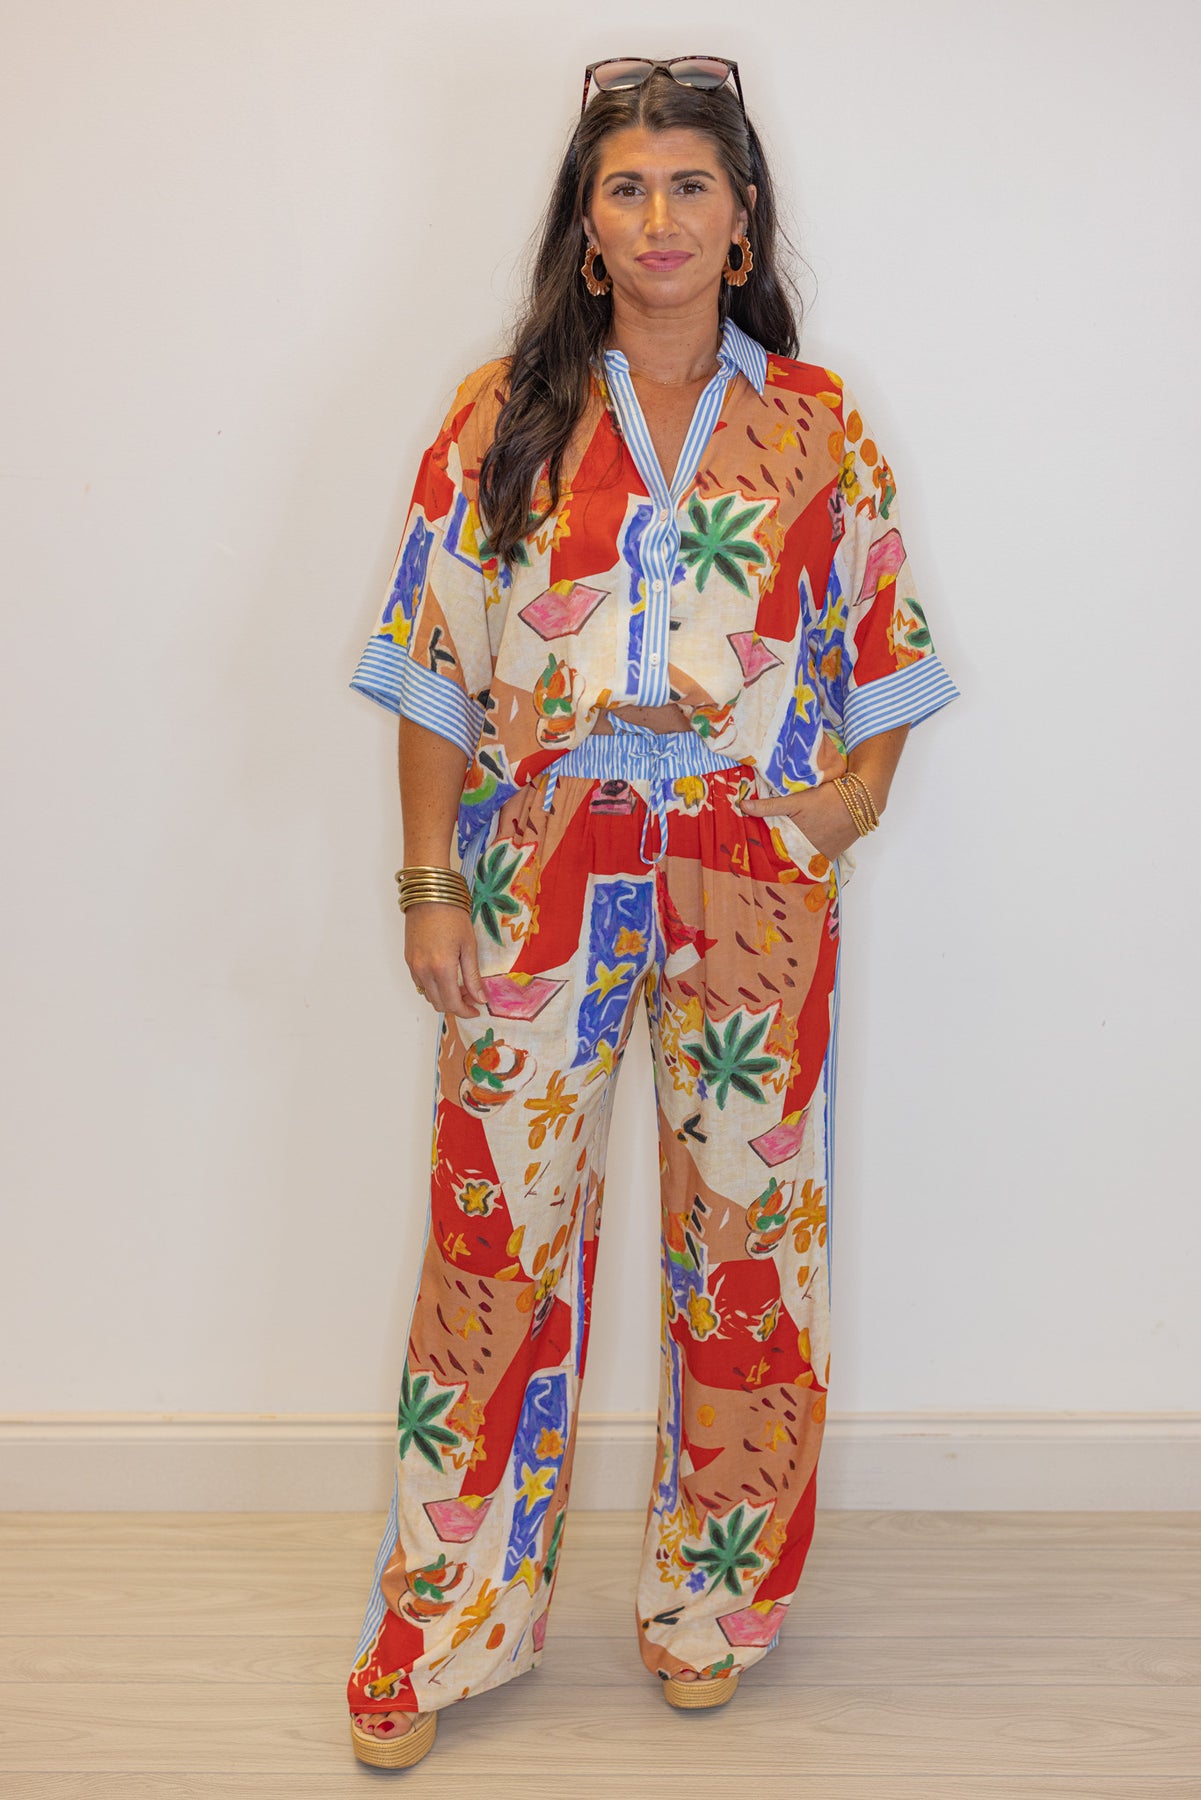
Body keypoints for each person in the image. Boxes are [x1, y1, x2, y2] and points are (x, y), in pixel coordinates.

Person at [344, 54, 960, 1771]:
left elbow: (886, 651)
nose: (660, 216)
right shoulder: (500, 414)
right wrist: (427, 883)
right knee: (493, 1246)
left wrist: (836, 811)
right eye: (627, 187)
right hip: (537, 866)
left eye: (691, 184)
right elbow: (433, 662)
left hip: (749, 879)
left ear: (740, 219)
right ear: (586, 224)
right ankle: (441, 1626)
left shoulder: (817, 421)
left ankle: (715, 1603)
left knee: (749, 1249)